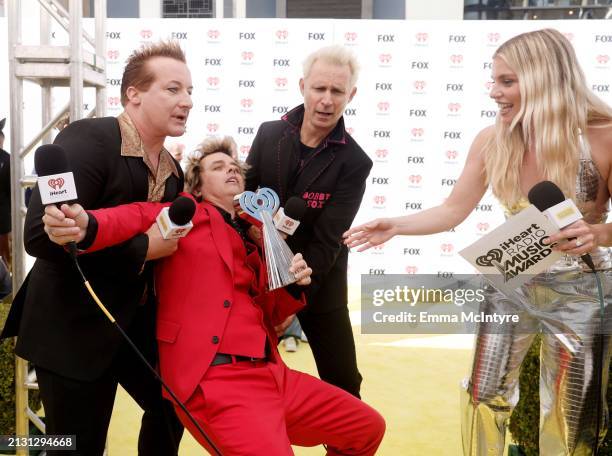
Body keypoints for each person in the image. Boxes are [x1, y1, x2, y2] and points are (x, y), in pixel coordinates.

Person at [344, 29, 612, 455]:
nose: (494, 93)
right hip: (511, 283)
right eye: (493, 81)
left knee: (571, 418)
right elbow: (453, 209)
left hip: (582, 293)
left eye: (507, 82)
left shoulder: (603, 136)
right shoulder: (494, 140)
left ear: (543, 78)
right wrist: (395, 225)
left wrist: (597, 232)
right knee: (482, 396)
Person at [44, 136, 386, 455]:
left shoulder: (258, 236)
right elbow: (132, 217)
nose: (231, 170)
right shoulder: (183, 214)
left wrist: (293, 283)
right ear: (197, 184)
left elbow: (270, 314)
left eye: (234, 166)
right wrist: (86, 224)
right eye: (218, 167)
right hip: (216, 377)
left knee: (367, 427)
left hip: (272, 373)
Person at [0, 41, 191, 455]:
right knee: (76, 448)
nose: (186, 101)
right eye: (173, 89)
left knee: (173, 406)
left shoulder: (174, 173)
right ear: (133, 94)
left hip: (131, 328)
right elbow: (39, 238)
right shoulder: (88, 138)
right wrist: (142, 249)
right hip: (69, 331)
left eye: (189, 92)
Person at [245, 45, 371, 398]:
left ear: (351, 95)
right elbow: (244, 200)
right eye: (319, 88)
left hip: (318, 283)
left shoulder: (355, 162)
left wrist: (290, 300)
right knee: (247, 378)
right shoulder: (269, 134)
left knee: (344, 382)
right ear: (303, 86)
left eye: (337, 91)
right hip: (256, 277)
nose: (327, 100)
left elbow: (329, 241)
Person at [0, 118, 11, 267]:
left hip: (3, 210)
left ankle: (8, 270)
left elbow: (10, 188)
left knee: (4, 247)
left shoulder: (7, 158)